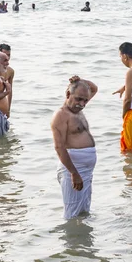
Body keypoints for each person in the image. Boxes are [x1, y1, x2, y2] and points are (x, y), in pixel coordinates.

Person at [50, 76, 99, 219]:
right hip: (73, 170)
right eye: (78, 99)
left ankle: (84, 240)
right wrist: (74, 173)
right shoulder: (61, 115)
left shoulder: (78, 108)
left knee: (84, 212)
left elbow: (94, 88)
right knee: (72, 215)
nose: (83, 103)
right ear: (68, 95)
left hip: (86, 171)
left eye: (85, 100)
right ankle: (70, 240)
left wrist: (80, 80)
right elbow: (59, 147)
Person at [0, 44, 14, 112]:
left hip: (1, 107)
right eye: (4, 55)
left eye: (8, 55)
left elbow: (10, 91)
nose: (7, 57)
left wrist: (8, 109)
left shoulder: (10, 71)